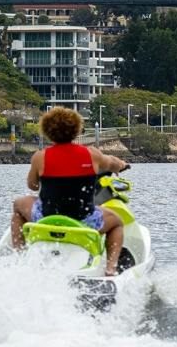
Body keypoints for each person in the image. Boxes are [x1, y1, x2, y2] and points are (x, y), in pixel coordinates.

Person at [10, 106, 130, 274]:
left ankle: (19, 258)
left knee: (18, 205)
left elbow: (32, 186)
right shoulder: (92, 154)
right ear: (76, 130)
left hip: (46, 218)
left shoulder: (40, 157)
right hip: (83, 221)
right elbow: (112, 163)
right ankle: (110, 268)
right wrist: (121, 165)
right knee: (117, 222)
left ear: (47, 131)